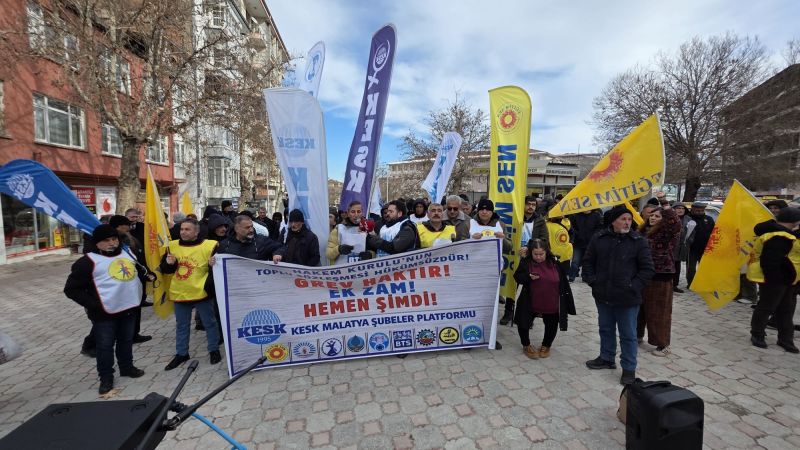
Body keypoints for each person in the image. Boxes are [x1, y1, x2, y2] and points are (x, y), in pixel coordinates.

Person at [64, 224, 152, 394]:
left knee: (126, 340)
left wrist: (147, 276)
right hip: (104, 313)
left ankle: (126, 367)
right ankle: (106, 377)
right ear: (97, 243)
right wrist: (94, 304)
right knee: (105, 346)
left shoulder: (127, 253)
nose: (112, 243)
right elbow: (71, 289)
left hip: (129, 307)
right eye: (106, 240)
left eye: (114, 239)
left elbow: (136, 272)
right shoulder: (87, 262)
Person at [583, 205, 655, 385]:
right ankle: (606, 358)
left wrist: (633, 286)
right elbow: (588, 261)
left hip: (627, 298)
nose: (627, 222)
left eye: (629, 219)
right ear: (613, 221)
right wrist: (593, 281)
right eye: (623, 219)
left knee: (628, 334)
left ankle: (629, 368)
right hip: (603, 294)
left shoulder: (638, 241)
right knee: (605, 328)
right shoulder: (599, 238)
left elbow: (647, 269)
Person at [159, 219, 221, 370]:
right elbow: (165, 269)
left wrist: (214, 265)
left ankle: (213, 349)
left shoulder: (210, 245)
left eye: (187, 229)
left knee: (209, 323)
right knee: (182, 325)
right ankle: (182, 353)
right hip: (180, 291)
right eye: (182, 229)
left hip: (202, 291)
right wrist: (169, 263)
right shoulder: (172, 246)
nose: (183, 232)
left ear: (196, 231)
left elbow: (219, 268)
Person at [746, 207, 800, 353]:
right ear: (794, 221)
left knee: (786, 309)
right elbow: (770, 262)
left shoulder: (787, 234)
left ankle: (785, 339)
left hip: (789, 279)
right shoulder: (778, 236)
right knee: (766, 307)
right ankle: (757, 334)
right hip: (775, 279)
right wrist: (777, 279)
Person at [513, 239, 576, 359]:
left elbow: (563, 281)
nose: (538, 257)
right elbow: (517, 277)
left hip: (551, 301)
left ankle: (546, 345)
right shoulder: (526, 262)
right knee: (523, 322)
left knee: (551, 324)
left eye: (541, 254)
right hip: (530, 300)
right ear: (531, 252)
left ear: (547, 251)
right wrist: (528, 277)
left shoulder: (555, 263)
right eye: (535, 254)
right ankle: (526, 345)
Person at [636, 195, 682, 357]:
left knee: (658, 311)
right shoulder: (641, 232)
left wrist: (664, 202)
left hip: (660, 276)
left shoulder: (667, 233)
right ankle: (637, 335)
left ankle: (662, 344)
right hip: (641, 275)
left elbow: (675, 222)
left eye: (657, 216)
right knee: (639, 308)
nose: (653, 218)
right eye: (652, 215)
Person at [109, 215, 152, 344]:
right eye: (126, 225)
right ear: (118, 226)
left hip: (136, 278)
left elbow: (138, 258)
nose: (129, 227)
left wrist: (146, 272)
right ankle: (125, 335)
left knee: (135, 307)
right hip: (122, 280)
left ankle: (134, 334)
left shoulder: (129, 237)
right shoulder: (114, 242)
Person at [470, 199, 514, 325]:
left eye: (487, 210)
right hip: (474, 270)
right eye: (482, 209)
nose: (484, 212)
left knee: (490, 301)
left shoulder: (501, 224)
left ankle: (490, 328)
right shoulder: (469, 223)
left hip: (493, 269)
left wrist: (503, 239)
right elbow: (459, 243)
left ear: (492, 212)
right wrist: (471, 239)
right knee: (474, 300)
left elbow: (509, 247)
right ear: (478, 211)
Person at [217, 215, 284, 262]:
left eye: (251, 226)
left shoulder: (262, 241)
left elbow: (280, 247)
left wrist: (278, 253)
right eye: (247, 227)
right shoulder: (224, 245)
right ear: (236, 229)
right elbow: (218, 262)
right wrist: (213, 262)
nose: (251, 230)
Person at [685, 202, 715, 288]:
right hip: (692, 249)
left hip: (705, 248)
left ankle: (703, 283)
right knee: (691, 268)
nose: (700, 212)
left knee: (705, 268)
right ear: (692, 209)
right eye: (697, 210)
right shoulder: (688, 219)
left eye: (701, 210)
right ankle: (691, 283)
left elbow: (713, 233)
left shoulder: (709, 219)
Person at [570, 209, 603, 282]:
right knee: (575, 261)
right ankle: (571, 276)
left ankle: (585, 277)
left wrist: (594, 236)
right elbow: (572, 227)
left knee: (587, 260)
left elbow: (599, 227)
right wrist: (577, 234)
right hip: (578, 242)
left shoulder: (596, 215)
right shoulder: (576, 215)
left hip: (590, 243)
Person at [672, 204, 689, 293]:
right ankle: (668, 284)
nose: (681, 210)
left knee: (677, 266)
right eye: (678, 208)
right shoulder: (669, 218)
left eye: (682, 208)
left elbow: (692, 233)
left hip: (681, 247)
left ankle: (675, 285)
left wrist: (688, 241)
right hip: (670, 246)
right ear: (673, 209)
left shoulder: (688, 220)